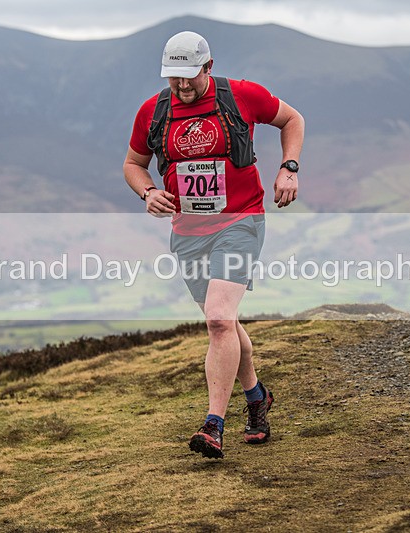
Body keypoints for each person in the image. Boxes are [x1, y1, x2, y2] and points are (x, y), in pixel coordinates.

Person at [123, 31, 304, 459]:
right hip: (187, 233)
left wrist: (289, 168)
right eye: (174, 79)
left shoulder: (241, 96)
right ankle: (257, 398)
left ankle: (213, 425)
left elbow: (292, 119)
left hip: (240, 221)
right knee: (224, 322)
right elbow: (133, 164)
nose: (182, 87)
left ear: (208, 67)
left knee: (220, 320)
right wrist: (148, 192)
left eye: (189, 77)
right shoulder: (152, 111)